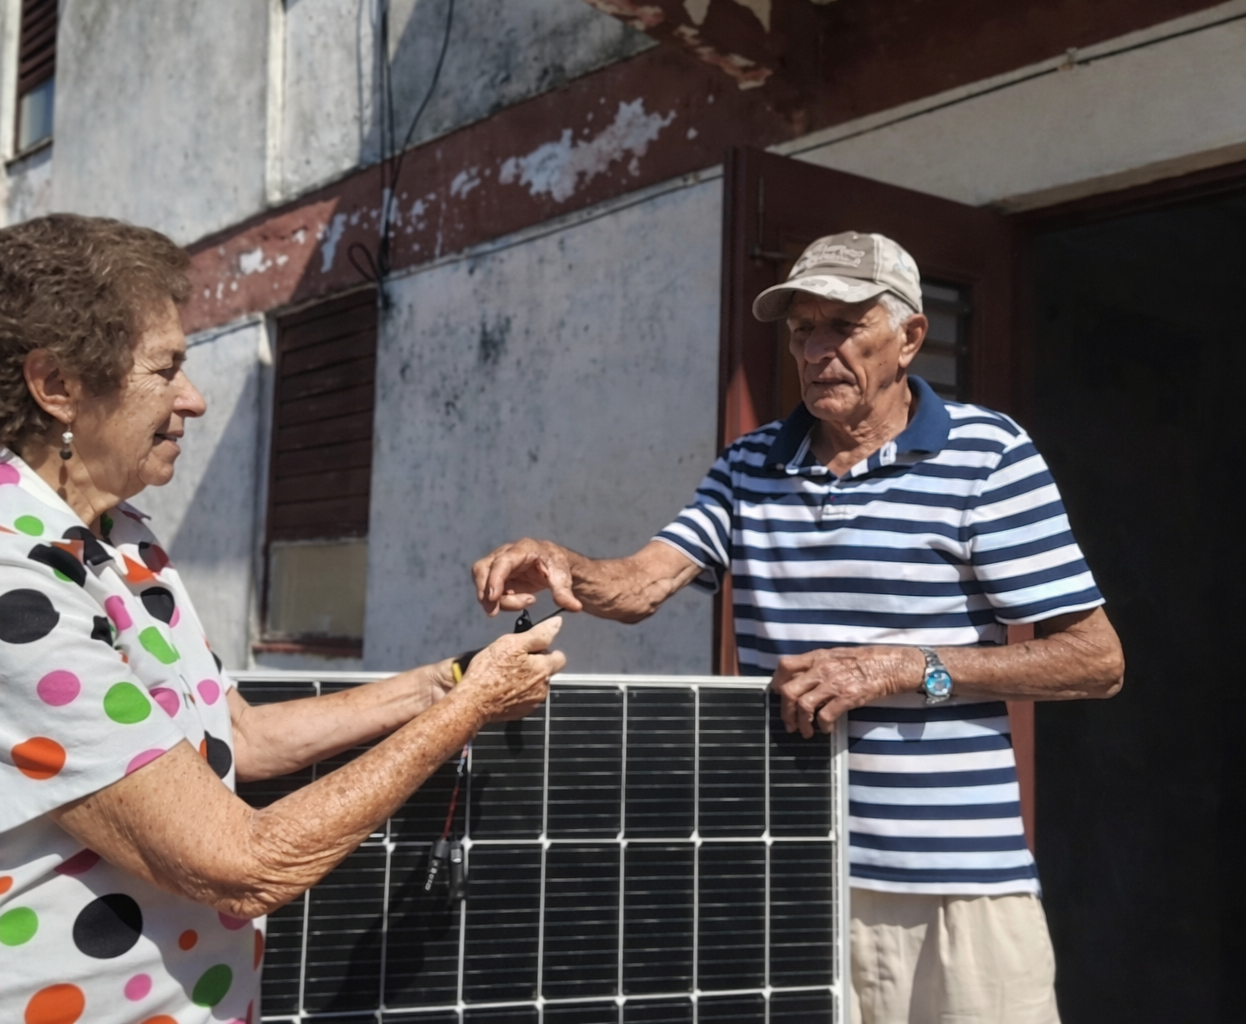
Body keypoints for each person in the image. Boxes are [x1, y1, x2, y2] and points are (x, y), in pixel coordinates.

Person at [0, 214, 563, 1024]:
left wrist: (448, 681)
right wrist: (473, 708)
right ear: (57, 387)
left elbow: (240, 738)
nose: (194, 397)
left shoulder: (119, 538)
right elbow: (237, 862)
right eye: (167, 368)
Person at [472, 231, 1124, 1024]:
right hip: (792, 869)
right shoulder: (751, 464)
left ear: (909, 338)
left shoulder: (988, 455)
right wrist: (561, 561)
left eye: (842, 327)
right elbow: (643, 584)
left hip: (956, 887)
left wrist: (901, 667)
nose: (816, 351)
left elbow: (1095, 660)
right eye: (800, 331)